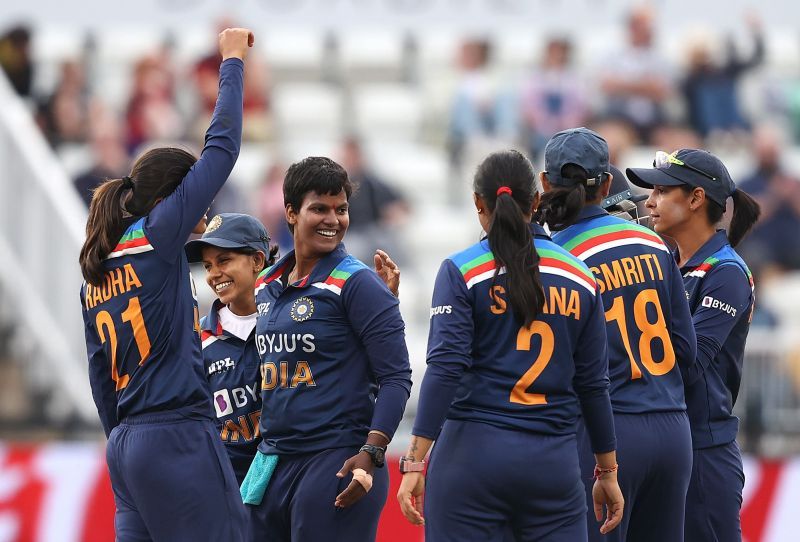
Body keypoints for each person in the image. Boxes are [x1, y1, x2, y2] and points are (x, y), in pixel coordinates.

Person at [78, 28, 253, 541]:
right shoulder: (158, 235)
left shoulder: (97, 265)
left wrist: (126, 445)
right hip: (176, 433)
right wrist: (232, 60)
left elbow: (98, 376)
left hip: (127, 445)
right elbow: (222, 149)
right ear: (170, 200)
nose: (205, 218)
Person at [397, 149, 624, 541]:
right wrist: (608, 471)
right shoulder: (581, 276)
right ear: (536, 202)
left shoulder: (461, 270)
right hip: (552, 465)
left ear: (477, 204)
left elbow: (446, 369)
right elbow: (593, 385)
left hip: (472, 459)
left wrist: (415, 462)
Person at [537, 128, 697, 541]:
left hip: (605, 434)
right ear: (607, 183)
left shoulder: (558, 258)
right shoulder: (655, 243)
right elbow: (686, 348)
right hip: (672, 428)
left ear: (544, 184)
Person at [245, 156, 412, 542]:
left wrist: (371, 452)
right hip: (273, 461)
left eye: (341, 209)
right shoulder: (267, 282)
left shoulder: (358, 284)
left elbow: (396, 377)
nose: (333, 220)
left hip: (335, 458)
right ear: (290, 212)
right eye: (319, 208)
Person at [185, 213, 400, 485]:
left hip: (297, 472)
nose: (214, 275)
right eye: (207, 266)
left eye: (224, 261)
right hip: (228, 487)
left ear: (257, 261)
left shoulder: (304, 321)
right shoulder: (198, 339)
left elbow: (360, 371)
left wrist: (383, 305)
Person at [626, 148, 761, 542]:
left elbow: (689, 364)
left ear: (696, 198)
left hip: (704, 452)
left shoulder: (726, 273)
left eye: (662, 190)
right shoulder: (666, 262)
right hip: (665, 445)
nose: (649, 201)